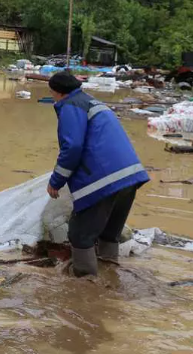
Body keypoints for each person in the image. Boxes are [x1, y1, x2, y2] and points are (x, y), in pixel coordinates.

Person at [46, 72, 149, 277]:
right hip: (130, 176)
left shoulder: (71, 106)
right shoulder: (93, 103)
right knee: (109, 233)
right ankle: (111, 277)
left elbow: (72, 147)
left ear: (58, 92)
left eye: (51, 93)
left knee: (80, 235)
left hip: (103, 180)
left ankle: (87, 286)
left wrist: (56, 181)